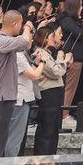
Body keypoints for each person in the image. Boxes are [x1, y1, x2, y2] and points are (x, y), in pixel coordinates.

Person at [0, 9, 32, 158]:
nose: (21, 27)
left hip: (6, 96)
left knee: (2, 136)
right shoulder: (0, 40)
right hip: (0, 96)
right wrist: (28, 28)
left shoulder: (5, 40)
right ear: (14, 23)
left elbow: (26, 44)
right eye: (20, 24)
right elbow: (24, 42)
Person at [30, 23, 69, 155]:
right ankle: (43, 156)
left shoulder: (47, 53)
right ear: (46, 38)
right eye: (52, 36)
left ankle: (50, 155)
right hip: (48, 92)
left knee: (53, 127)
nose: (54, 38)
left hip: (53, 91)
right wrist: (61, 59)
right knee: (47, 126)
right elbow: (55, 72)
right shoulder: (40, 53)